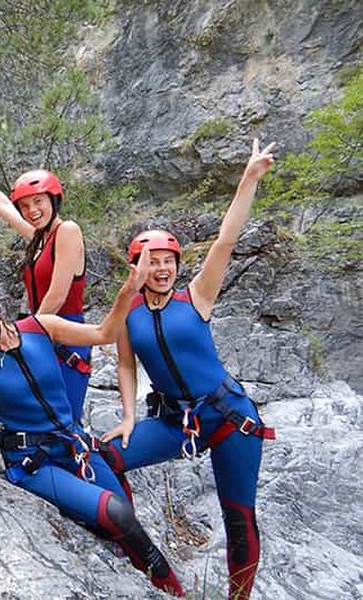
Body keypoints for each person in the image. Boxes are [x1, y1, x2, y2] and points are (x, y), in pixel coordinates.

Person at [0, 248, 186, 597]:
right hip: (32, 464)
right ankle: (176, 592)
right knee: (117, 513)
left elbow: (104, 333)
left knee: (124, 517)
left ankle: (156, 585)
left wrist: (129, 291)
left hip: (74, 446)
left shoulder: (41, 326)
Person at [98, 140, 277, 600]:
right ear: (135, 266)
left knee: (238, 516)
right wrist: (129, 417)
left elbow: (226, 239)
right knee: (107, 458)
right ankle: (155, 571)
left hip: (229, 417)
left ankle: (239, 597)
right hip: (176, 421)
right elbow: (124, 364)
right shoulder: (127, 311)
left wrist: (249, 178)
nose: (161, 269)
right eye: (151, 261)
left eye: (167, 261)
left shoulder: (196, 296)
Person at [0, 154, 91, 424]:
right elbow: (4, 207)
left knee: (66, 420)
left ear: (53, 200)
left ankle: (87, 464)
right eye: (25, 206)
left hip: (66, 333)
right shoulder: (39, 239)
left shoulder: (68, 231)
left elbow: (58, 295)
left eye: (38, 201)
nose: (32, 210)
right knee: (44, 414)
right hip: (42, 331)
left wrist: (25, 335)